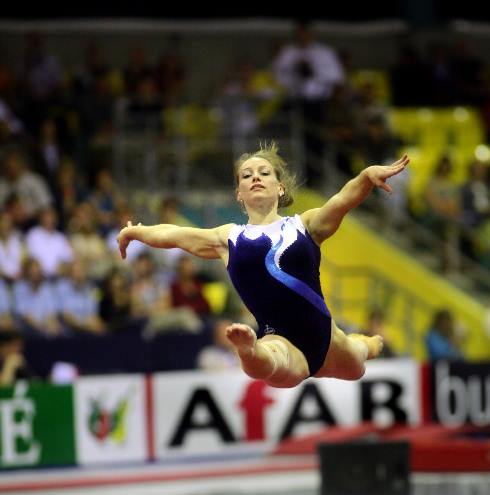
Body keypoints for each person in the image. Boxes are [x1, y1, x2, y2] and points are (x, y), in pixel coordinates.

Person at [118, 144, 409, 388]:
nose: (255, 177)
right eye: (246, 175)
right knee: (271, 363)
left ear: (280, 187)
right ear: (239, 194)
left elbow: (341, 201)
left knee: (361, 356)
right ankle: (248, 350)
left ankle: (373, 342)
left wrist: (366, 177)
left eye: (264, 173)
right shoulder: (229, 237)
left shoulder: (303, 225)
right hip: (279, 339)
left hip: (328, 339)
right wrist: (136, 232)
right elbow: (175, 236)